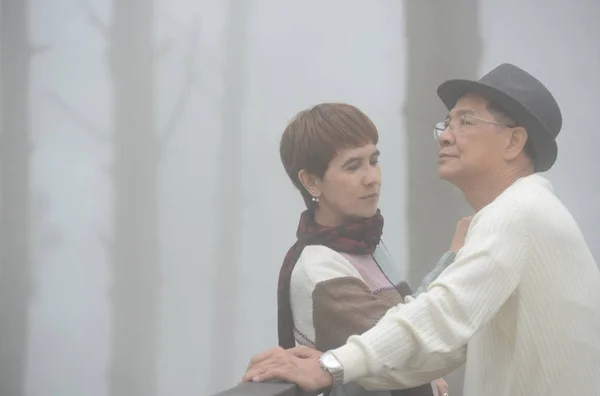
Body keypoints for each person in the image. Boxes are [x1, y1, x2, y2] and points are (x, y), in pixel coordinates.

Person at [243, 64, 600, 396]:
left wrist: (331, 363)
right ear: (311, 181)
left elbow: (442, 320)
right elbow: (437, 326)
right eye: (447, 123)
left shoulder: (518, 212)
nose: (445, 136)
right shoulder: (523, 209)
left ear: (513, 142)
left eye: (465, 121)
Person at [274, 103, 464, 396]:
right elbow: (402, 347)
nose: (371, 177)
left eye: (373, 160)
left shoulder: (364, 243)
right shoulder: (318, 269)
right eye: (353, 166)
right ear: (312, 181)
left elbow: (407, 317)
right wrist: (456, 258)